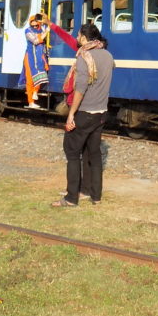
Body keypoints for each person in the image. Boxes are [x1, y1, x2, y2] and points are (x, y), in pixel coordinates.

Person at [52, 23, 114, 207]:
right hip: (101, 112)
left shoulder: (84, 57)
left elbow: (80, 89)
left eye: (79, 36)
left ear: (85, 38)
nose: (77, 39)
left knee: (71, 152)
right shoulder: (108, 56)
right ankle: (93, 194)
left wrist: (71, 114)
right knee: (93, 153)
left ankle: (71, 198)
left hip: (84, 111)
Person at [22, 13, 50, 108]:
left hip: (40, 56)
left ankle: (35, 91)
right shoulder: (27, 31)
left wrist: (44, 17)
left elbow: (47, 23)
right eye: (32, 24)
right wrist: (45, 33)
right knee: (30, 78)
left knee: (41, 75)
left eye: (36, 23)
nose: (34, 25)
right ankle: (31, 102)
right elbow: (36, 41)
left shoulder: (41, 28)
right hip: (30, 56)